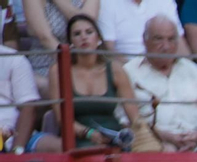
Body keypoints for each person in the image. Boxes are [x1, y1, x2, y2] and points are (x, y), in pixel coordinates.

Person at [48, 14, 140, 148]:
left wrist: (138, 135)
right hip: (77, 137)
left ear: (98, 39)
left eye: (89, 32)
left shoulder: (115, 69)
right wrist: (89, 133)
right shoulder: (58, 71)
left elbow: (134, 115)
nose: (84, 37)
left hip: (113, 136)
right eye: (77, 34)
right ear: (71, 42)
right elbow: (62, 119)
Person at [128, 16, 197, 150]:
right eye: (158, 39)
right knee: (168, 151)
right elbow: (126, 122)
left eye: (171, 39)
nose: (166, 46)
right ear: (145, 40)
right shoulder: (129, 73)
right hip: (155, 143)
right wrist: (165, 137)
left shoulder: (192, 69)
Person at [18, 0, 99, 78]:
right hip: (45, 67)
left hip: (81, 65)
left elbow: (85, 23)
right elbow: (45, 38)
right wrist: (69, 65)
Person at [0, 43, 52, 151]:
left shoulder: (14, 59)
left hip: (12, 134)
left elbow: (28, 107)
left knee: (56, 147)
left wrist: (17, 151)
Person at [101, 0, 182, 55]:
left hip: (165, 65)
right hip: (127, 69)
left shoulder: (165, 1)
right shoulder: (107, 2)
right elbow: (109, 50)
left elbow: (180, 43)